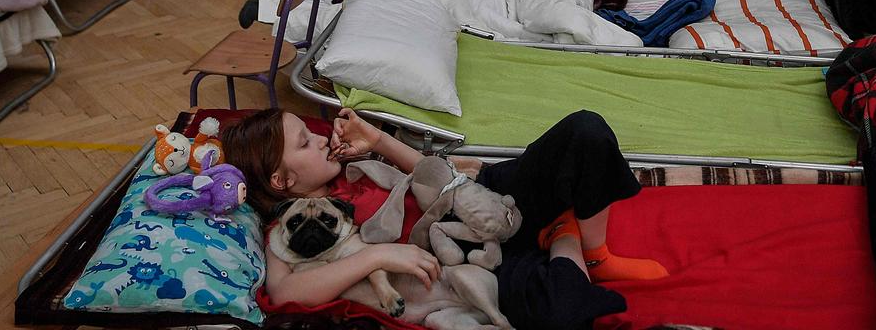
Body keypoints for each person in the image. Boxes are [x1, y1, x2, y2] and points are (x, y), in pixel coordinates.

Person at [223, 108, 668, 330]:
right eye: (306, 144)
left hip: (483, 200)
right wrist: (378, 256)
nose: (321, 140)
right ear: (282, 182)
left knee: (585, 131)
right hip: (469, 262)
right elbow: (284, 289)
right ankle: (564, 236)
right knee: (564, 315)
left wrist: (377, 140)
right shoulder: (289, 229)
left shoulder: (354, 169)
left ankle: (596, 254)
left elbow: (434, 175)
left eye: (313, 133)